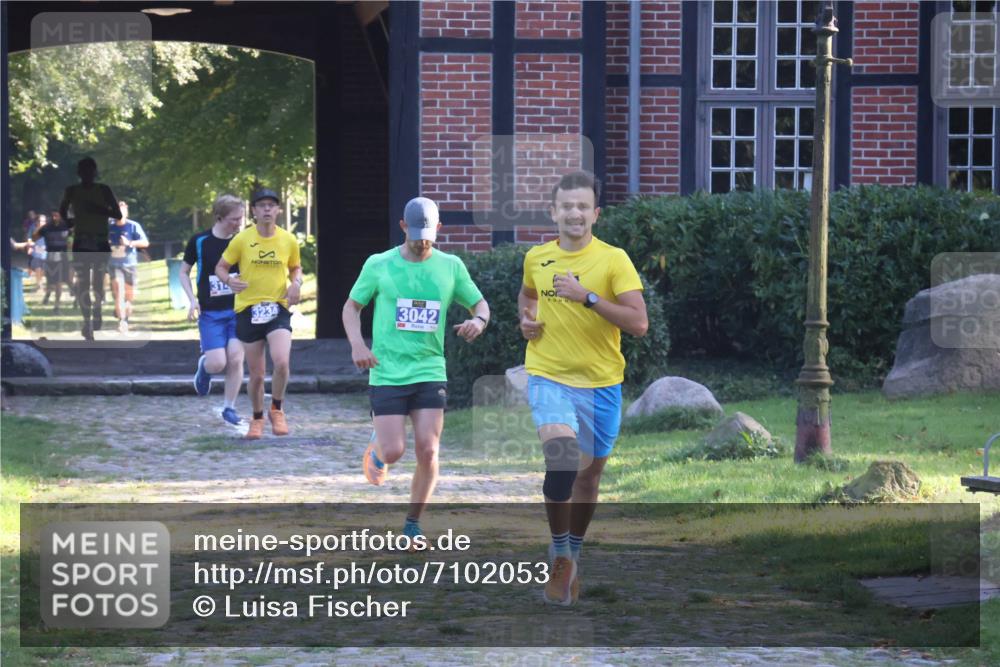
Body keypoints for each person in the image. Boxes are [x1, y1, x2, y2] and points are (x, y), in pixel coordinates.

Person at [518, 171, 648, 605]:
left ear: (595, 214)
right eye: (565, 206)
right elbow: (527, 296)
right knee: (561, 463)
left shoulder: (614, 260)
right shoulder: (537, 257)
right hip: (549, 376)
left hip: (601, 384)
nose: (574, 213)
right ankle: (559, 554)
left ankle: (573, 552)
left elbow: (639, 324)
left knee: (588, 480)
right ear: (553, 212)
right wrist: (526, 319)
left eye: (582, 206)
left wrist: (586, 297)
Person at [342, 196, 490, 544]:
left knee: (428, 449)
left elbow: (480, 304)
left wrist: (478, 321)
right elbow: (351, 307)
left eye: (429, 233)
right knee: (394, 452)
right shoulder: (379, 264)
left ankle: (413, 523)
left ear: (438, 229)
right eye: (415, 233)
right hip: (387, 371)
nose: (422, 240)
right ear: (403, 227)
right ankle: (379, 445)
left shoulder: (451, 266)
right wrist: (358, 345)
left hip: (429, 369)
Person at [215, 188, 301, 440]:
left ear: (278, 210)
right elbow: (221, 267)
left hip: (277, 307)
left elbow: (295, 268)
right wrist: (229, 282)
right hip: (248, 310)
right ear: (253, 211)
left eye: (271, 205)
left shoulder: (288, 240)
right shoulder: (242, 239)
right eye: (261, 205)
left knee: (282, 361)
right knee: (257, 374)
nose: (266, 209)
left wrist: (296, 284)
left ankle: (276, 408)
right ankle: (257, 417)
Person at [181, 194, 246, 426]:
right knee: (218, 363)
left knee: (236, 358)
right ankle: (204, 367)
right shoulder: (200, 241)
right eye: (234, 219)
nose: (239, 223)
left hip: (238, 310)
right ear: (219, 217)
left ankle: (229, 407)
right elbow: (183, 272)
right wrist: (192, 300)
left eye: (241, 218)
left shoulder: (243, 241)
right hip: (211, 313)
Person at [59, 157, 121, 340]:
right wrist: (68, 220)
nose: (87, 174)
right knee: (84, 283)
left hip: (100, 241)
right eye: (83, 171)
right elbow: (62, 209)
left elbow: (117, 214)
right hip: (81, 241)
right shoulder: (71, 191)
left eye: (90, 171)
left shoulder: (103, 190)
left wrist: (98, 210)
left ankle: (98, 310)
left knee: (98, 282)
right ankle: (87, 321)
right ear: (79, 173)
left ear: (94, 172)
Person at [107, 201, 149, 333]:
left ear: (126, 213)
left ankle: (124, 315)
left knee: (129, 297)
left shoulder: (133, 226)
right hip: (114, 265)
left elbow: (145, 243)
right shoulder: (108, 227)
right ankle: (122, 321)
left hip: (130, 265)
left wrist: (129, 243)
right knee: (119, 293)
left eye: (122, 211)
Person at [33, 210, 73, 312]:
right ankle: (49, 298)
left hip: (64, 258)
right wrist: (40, 227)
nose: (55, 218)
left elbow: (72, 240)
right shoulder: (47, 228)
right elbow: (34, 237)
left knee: (63, 282)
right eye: (53, 216)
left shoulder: (67, 227)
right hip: (51, 258)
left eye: (58, 215)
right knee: (52, 282)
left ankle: (57, 306)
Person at [27, 214, 47, 288]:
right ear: (37, 221)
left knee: (43, 270)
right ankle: (39, 284)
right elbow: (29, 238)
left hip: (45, 251)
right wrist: (30, 246)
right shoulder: (33, 227)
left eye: (44, 221)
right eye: (41, 221)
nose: (42, 222)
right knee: (38, 268)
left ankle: (40, 281)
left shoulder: (47, 229)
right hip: (36, 251)